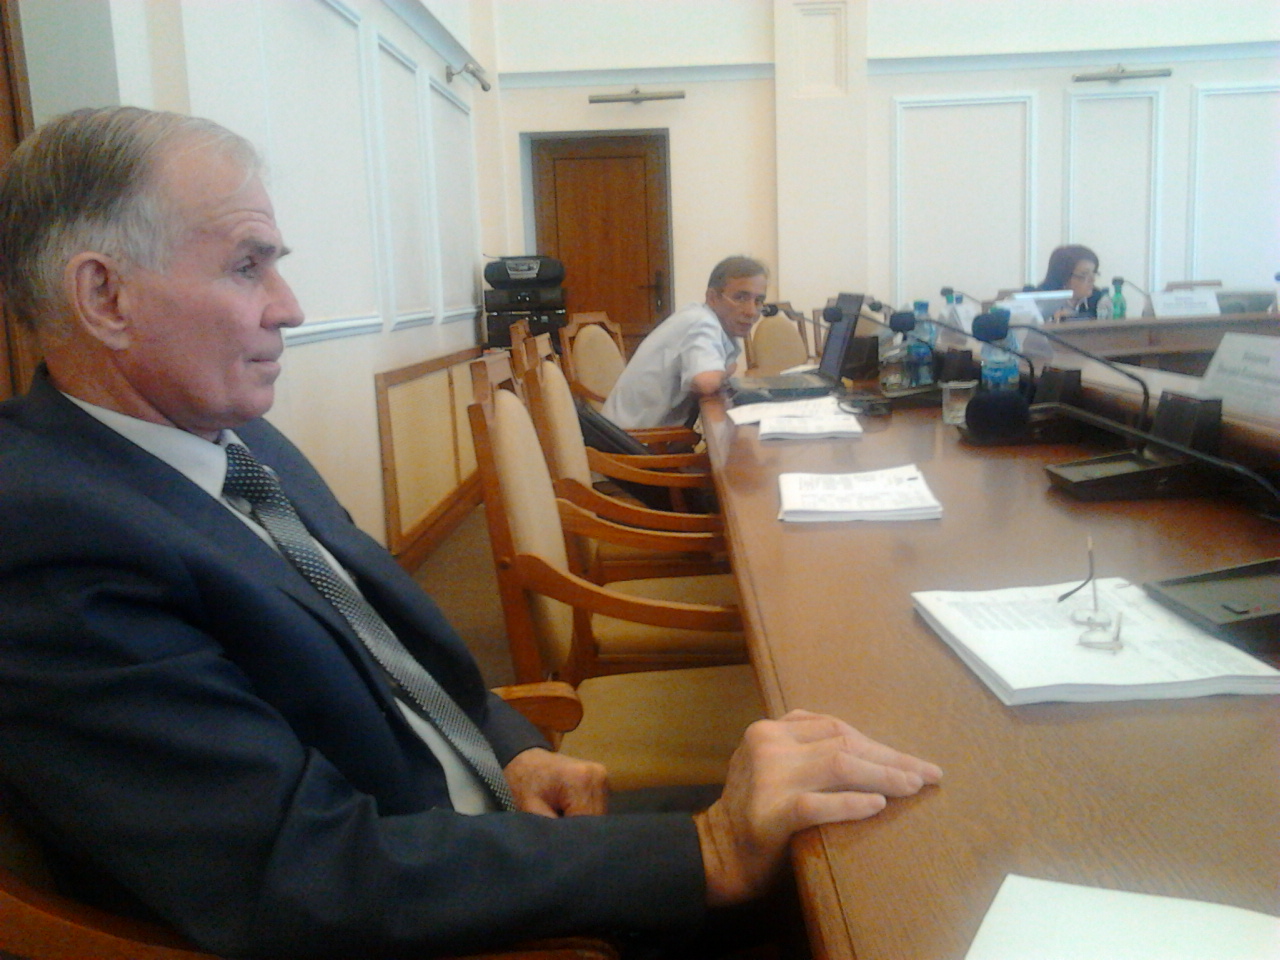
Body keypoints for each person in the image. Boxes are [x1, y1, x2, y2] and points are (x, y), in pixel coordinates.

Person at [0, 107, 941, 959]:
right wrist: (708, 850)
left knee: (864, 825)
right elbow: (302, 872)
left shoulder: (230, 438)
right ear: (106, 298)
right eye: (249, 266)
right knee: (861, 892)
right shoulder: (50, 540)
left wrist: (513, 747)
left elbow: (390, 644)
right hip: (427, 902)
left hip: (475, 830)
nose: (288, 306)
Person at [601, 257, 767, 430]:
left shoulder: (711, 321)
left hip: (634, 433)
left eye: (759, 301)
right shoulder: (701, 322)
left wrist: (725, 371)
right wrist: (726, 372)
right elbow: (706, 382)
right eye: (740, 298)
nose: (751, 311)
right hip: (628, 440)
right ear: (712, 298)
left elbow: (721, 372)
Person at [1038, 244, 1105, 319]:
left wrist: (1075, 315)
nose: (1092, 279)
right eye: (1084, 274)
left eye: (1094, 273)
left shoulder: (1098, 300)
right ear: (1064, 276)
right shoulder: (1040, 302)